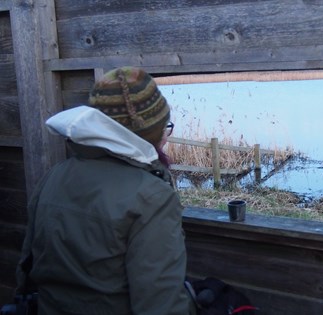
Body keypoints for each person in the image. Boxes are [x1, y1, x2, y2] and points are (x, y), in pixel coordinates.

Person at [16, 66, 197, 314]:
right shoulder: (151, 197)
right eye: (164, 127)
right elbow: (160, 305)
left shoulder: (54, 176)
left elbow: (26, 266)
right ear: (145, 135)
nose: (166, 136)